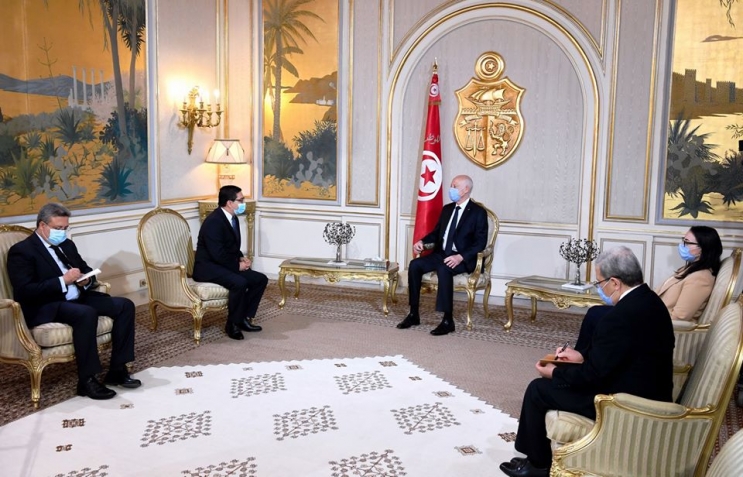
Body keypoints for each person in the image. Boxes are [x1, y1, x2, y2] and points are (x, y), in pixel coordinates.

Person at [499, 246, 674, 477]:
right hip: (645, 389)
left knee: (538, 389)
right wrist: (581, 357)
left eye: (599, 282)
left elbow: (593, 376)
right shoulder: (650, 300)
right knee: (550, 384)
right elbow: (617, 355)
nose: (599, 288)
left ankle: (539, 466)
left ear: (615, 282)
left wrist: (555, 373)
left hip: (625, 404)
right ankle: (535, 456)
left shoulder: (619, 318)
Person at [7, 203, 141, 400]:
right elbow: (26, 291)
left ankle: (117, 370)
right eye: (58, 228)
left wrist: (87, 280)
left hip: (77, 297)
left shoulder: (67, 245)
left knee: (124, 305)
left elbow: (85, 269)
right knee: (85, 313)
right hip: (47, 305)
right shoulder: (22, 251)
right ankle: (87, 380)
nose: (62, 232)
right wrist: (63, 281)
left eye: (65, 228)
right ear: (42, 225)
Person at [574, 226, 722, 352]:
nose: (682, 245)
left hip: (653, 324)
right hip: (648, 314)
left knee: (596, 315)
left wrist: (641, 314)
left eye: (687, 242)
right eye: (683, 240)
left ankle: (582, 358)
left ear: (703, 248)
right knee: (596, 312)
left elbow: (680, 317)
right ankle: (584, 356)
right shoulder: (689, 270)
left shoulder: (701, 278)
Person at [396, 174, 488, 335]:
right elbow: (436, 233)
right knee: (415, 265)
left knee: (444, 268)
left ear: (466, 189)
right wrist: (422, 241)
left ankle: (448, 320)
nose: (451, 189)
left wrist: (460, 256)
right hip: (442, 253)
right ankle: (413, 313)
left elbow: (480, 243)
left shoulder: (478, 212)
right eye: (451, 185)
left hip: (462, 257)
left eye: (454, 186)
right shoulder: (447, 209)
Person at [193, 185, 268, 340]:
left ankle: (243, 318)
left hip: (223, 263)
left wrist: (241, 257)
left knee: (260, 279)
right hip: (208, 267)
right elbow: (217, 254)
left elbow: (231, 246)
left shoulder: (233, 218)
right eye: (241, 200)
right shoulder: (214, 221)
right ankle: (232, 324)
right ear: (229, 202)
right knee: (239, 282)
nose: (243, 203)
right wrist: (237, 266)